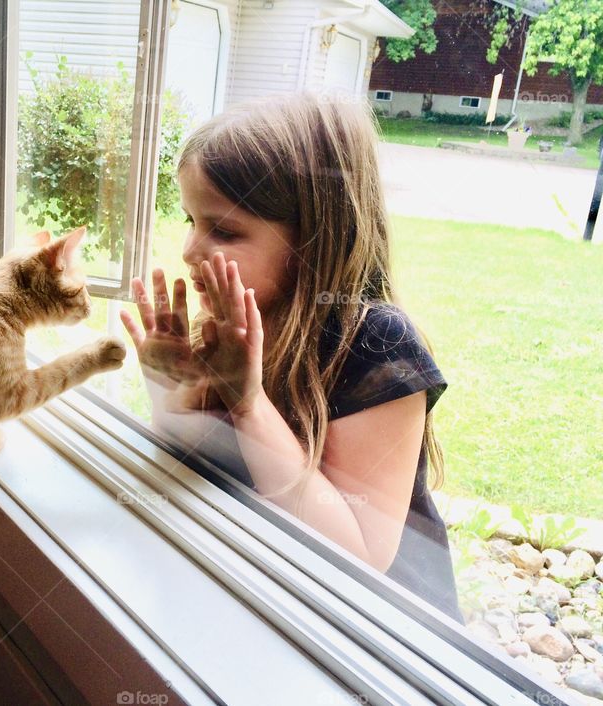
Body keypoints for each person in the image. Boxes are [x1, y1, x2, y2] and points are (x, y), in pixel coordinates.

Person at [119, 93, 464, 624]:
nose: (189, 249)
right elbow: (202, 470)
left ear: (314, 236)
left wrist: (249, 404)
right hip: (272, 593)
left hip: (377, 634)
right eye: (190, 219)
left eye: (224, 229)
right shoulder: (236, 327)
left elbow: (360, 555)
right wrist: (172, 395)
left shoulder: (376, 344)